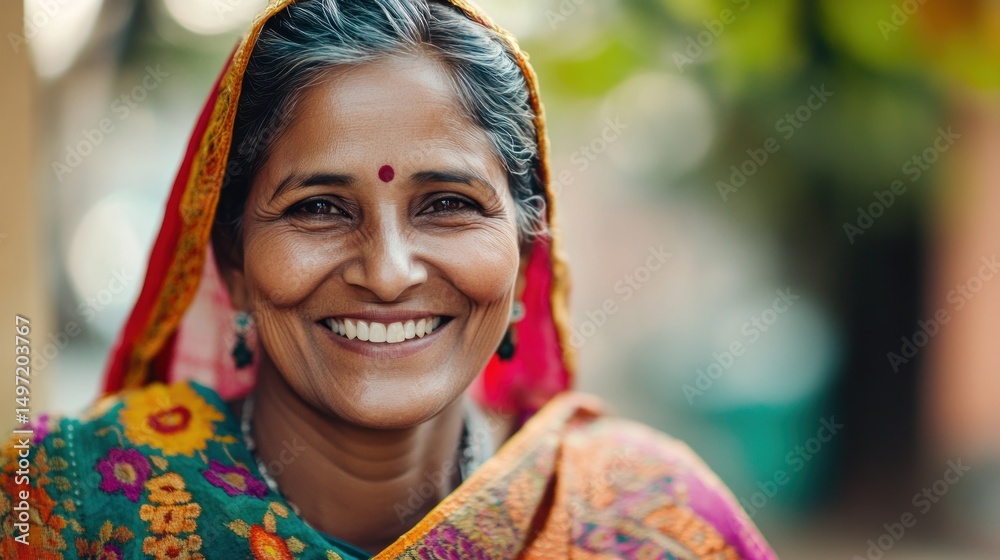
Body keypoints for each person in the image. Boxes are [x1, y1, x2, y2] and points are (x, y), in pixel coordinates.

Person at [0, 0, 778, 558]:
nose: (387, 272)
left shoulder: (647, 520)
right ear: (233, 265)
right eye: (319, 209)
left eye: (446, 205)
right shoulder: (65, 505)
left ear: (527, 256)